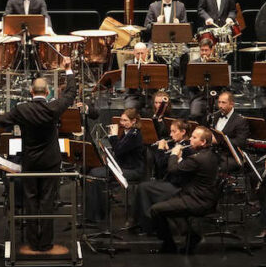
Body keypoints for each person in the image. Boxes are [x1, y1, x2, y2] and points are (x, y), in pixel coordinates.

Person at [0, 57, 76, 255]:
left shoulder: (22, 109)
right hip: (50, 162)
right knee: (47, 201)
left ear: (31, 92)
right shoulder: (54, 107)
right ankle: (46, 244)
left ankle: (33, 243)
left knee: (31, 201)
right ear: (47, 93)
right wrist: (68, 70)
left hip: (31, 161)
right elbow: (71, 93)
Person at [149, 126, 219, 254]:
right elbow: (188, 171)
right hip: (203, 196)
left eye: (194, 138)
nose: (190, 140)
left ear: (203, 142)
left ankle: (169, 244)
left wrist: (174, 154)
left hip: (197, 200)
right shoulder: (210, 155)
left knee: (156, 210)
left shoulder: (197, 159)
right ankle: (191, 235)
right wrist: (180, 159)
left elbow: (173, 170)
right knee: (168, 200)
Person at [85, 108, 145, 223]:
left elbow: (118, 150)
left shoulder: (134, 135)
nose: (122, 123)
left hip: (132, 169)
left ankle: (98, 215)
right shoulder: (127, 132)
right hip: (122, 167)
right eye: (121, 120)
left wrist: (113, 136)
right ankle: (96, 212)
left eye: (125, 120)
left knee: (95, 174)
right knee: (92, 172)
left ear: (134, 121)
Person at [134, 119, 192, 233]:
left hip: (178, 186)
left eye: (173, 131)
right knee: (143, 187)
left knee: (143, 187)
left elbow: (161, 164)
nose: (170, 134)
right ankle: (146, 223)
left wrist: (160, 149)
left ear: (183, 132)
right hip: (169, 181)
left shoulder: (186, 148)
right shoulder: (176, 145)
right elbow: (162, 167)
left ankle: (149, 226)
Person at [210, 91, 250, 171]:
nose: (220, 106)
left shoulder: (240, 120)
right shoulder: (214, 116)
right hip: (214, 152)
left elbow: (241, 142)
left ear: (232, 104)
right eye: (219, 102)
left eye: (223, 103)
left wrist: (220, 140)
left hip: (229, 156)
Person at [184, 39, 222, 123]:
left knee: (221, 112)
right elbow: (189, 84)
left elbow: (223, 83)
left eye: (206, 50)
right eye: (202, 50)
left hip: (214, 95)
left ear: (211, 50)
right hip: (199, 96)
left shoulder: (217, 63)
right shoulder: (193, 64)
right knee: (194, 114)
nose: (204, 53)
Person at [121, 42, 151, 110]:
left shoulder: (152, 64)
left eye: (142, 53)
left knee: (157, 106)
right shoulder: (127, 64)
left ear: (146, 52)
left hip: (149, 95)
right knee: (130, 108)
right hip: (133, 95)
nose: (140, 55)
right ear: (134, 52)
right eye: (138, 53)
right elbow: (124, 85)